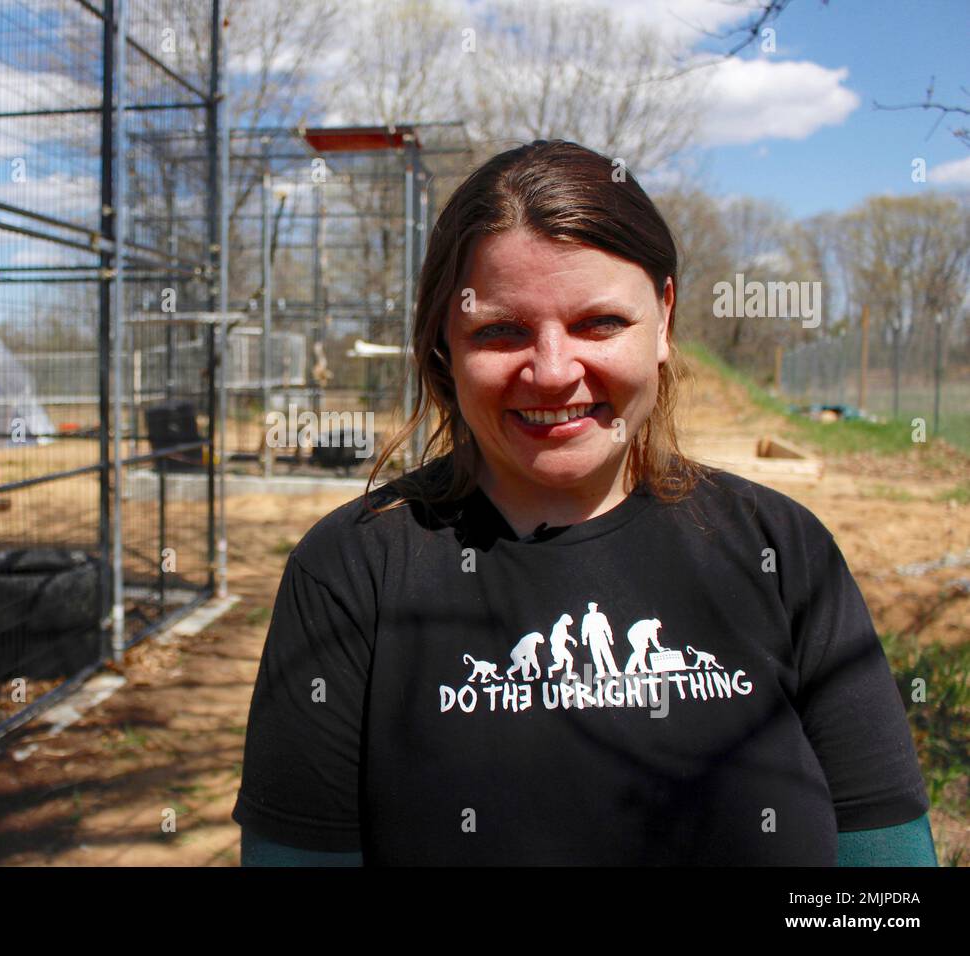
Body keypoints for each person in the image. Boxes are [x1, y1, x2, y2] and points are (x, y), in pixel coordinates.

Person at [231, 140, 936, 866]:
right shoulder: (352, 573)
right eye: (500, 331)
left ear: (662, 318)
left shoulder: (781, 551)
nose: (553, 371)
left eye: (599, 323)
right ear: (445, 339)